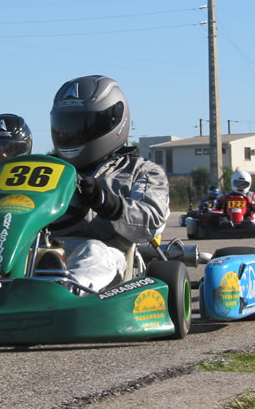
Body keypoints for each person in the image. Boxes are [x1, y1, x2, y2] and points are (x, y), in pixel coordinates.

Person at [46, 74, 170, 292]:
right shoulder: (46, 169)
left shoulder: (141, 170)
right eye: (66, 126)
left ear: (113, 121)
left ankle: (65, 294)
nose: (71, 134)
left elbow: (152, 222)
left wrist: (107, 203)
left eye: (81, 126)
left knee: (93, 251)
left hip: (109, 252)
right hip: (46, 248)